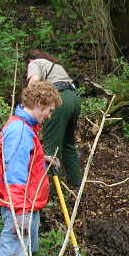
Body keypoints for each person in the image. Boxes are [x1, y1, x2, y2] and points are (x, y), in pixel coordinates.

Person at [0, 81, 62, 256]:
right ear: (39, 105)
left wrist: (43, 159)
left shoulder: (25, 128)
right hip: (20, 205)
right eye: (49, 110)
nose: (49, 116)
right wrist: (20, 212)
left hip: (28, 204)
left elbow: (25, 161)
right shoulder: (19, 131)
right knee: (12, 253)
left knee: (25, 251)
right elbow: (15, 175)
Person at [26, 49, 82, 187]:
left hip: (59, 101)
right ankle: (77, 185)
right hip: (74, 99)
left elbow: (33, 84)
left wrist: (26, 107)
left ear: (30, 60)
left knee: (50, 149)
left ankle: (48, 189)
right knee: (68, 144)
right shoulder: (55, 65)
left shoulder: (34, 63)